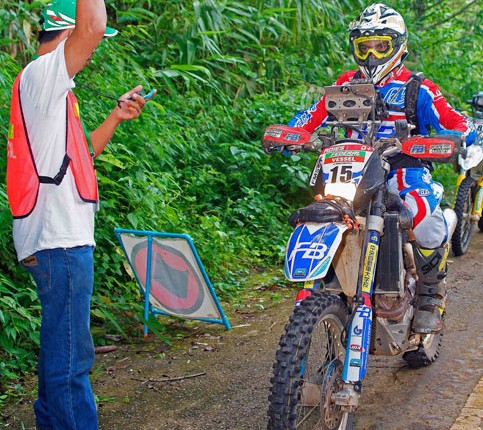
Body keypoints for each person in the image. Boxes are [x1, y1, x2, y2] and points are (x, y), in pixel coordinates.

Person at [283, 3, 476, 333]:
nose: (372, 55)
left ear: (398, 46)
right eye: (364, 47)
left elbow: (459, 121)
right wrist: (292, 132)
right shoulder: (345, 85)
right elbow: (311, 115)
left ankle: (430, 294)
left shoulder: (418, 88)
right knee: (323, 209)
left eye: (380, 46)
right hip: (351, 169)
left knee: (420, 217)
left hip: (403, 166)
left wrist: (455, 138)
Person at [6, 0, 154, 429]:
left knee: (59, 351)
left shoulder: (51, 91)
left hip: (55, 241)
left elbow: (79, 156)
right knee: (71, 361)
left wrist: (115, 117)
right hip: (59, 242)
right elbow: (93, 25)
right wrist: (88, 26)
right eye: (88, 43)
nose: (92, 53)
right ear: (69, 33)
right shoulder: (43, 74)